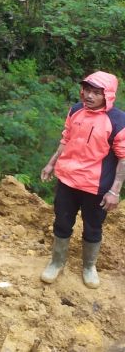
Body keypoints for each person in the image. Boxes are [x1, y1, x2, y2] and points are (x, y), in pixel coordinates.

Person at [40, 71, 124, 288]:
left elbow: (123, 158)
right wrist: (51, 163)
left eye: (96, 92)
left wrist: (115, 190)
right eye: (87, 90)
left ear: (108, 95)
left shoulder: (117, 121)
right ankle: (57, 262)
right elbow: (65, 139)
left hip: (96, 186)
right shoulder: (76, 110)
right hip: (67, 180)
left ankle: (89, 266)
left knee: (93, 227)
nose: (89, 96)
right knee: (62, 221)